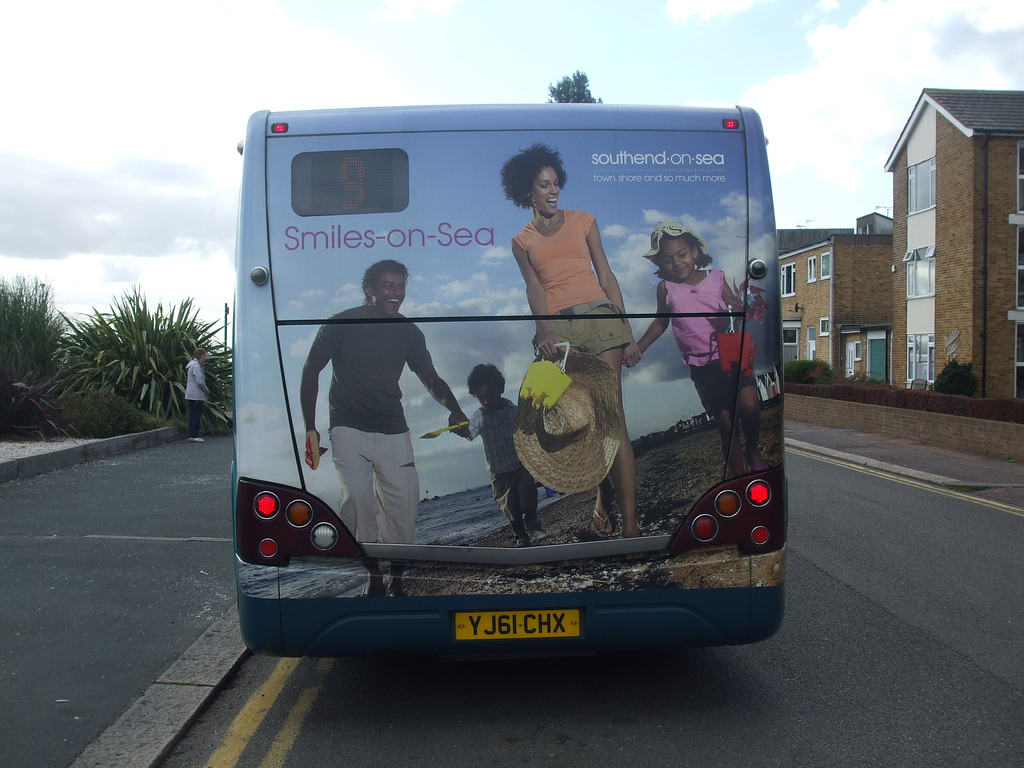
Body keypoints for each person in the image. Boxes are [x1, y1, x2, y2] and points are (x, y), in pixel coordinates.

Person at [299, 259, 469, 597]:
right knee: (359, 499)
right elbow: (310, 371)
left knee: (404, 509)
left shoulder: (408, 332)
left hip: (393, 429)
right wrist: (310, 429)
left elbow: (430, 379)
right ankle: (373, 574)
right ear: (370, 290)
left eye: (400, 286)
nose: (396, 293)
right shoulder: (339, 324)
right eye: (388, 286)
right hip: (348, 427)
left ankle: (398, 581)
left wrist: (455, 409)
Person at [500, 143, 640, 538]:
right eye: (544, 184)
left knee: (614, 422)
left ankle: (629, 526)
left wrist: (627, 331)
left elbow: (607, 276)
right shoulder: (521, 241)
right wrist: (543, 329)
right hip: (559, 332)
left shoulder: (583, 220)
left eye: (556, 183)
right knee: (586, 424)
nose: (553, 190)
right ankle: (602, 500)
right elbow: (534, 289)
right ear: (527, 189)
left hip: (600, 320)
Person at [635, 222, 766, 476]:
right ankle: (736, 477)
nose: (677, 263)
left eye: (682, 255)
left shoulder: (716, 277)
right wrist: (638, 348)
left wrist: (742, 309)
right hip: (702, 366)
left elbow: (735, 310)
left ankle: (752, 449)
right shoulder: (666, 289)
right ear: (660, 264)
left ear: (695, 252)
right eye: (668, 260)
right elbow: (660, 322)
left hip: (732, 355)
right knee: (726, 425)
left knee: (750, 405)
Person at [465, 363, 546, 548]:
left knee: (527, 492)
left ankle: (533, 522)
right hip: (498, 472)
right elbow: (470, 431)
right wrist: (461, 429)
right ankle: (520, 535)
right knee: (508, 506)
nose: (486, 402)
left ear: (500, 390)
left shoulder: (514, 411)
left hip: (520, 464)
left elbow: (529, 430)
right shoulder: (479, 416)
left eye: (490, 396)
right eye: (481, 398)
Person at [185, 348, 209, 443]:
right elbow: (199, 381)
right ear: (200, 356)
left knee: (193, 413)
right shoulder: (196, 366)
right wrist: (206, 389)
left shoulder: (193, 365)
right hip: (196, 394)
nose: (205, 358)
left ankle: (192, 434)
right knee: (196, 414)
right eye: (204, 355)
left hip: (192, 394)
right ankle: (193, 435)